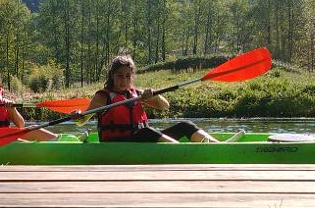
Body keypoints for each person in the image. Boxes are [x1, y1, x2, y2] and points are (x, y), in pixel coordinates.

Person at [83, 54, 240, 143]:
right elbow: (82, 120)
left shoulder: (137, 93)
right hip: (117, 144)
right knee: (146, 132)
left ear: (132, 76)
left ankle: (217, 146)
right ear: (112, 75)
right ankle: (182, 151)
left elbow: (165, 106)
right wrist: (78, 116)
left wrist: (153, 95)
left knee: (186, 125)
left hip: (141, 139)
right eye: (119, 76)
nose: (124, 80)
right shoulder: (102, 96)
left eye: (127, 76)